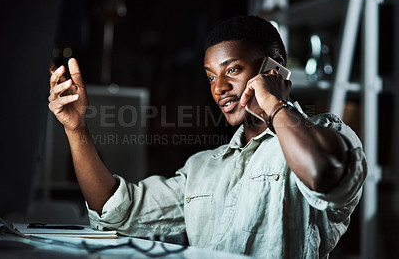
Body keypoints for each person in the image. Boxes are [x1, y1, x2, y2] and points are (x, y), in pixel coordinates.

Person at [48, 15, 367, 258]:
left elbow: (319, 170)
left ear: (275, 69)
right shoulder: (202, 168)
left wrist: (275, 103)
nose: (218, 88)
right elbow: (116, 211)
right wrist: (76, 129)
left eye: (231, 70)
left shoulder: (328, 135)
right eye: (211, 76)